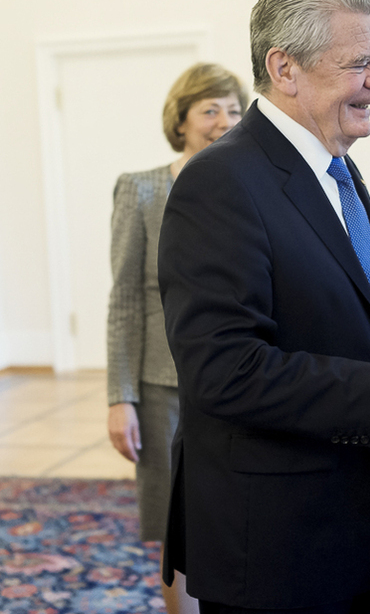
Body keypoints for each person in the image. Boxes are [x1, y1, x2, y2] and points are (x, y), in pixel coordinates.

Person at [156, 0, 370, 614]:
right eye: (361, 63)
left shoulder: (337, 164)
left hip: (349, 527)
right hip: (275, 546)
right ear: (285, 68)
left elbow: (357, 312)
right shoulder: (218, 183)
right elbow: (223, 370)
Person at [107, 61, 246, 614]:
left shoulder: (247, 184)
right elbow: (122, 295)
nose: (223, 121)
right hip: (163, 384)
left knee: (233, 514)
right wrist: (121, 397)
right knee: (176, 523)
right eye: (209, 109)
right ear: (181, 120)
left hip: (237, 378)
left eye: (233, 110)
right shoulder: (141, 191)